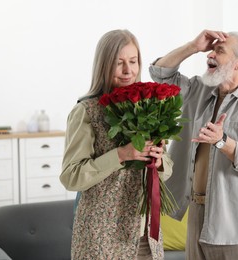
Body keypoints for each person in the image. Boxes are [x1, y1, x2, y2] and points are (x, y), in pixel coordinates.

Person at [149, 30, 238, 260]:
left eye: (219, 50)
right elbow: (160, 74)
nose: (210, 54)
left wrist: (223, 141)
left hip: (235, 224)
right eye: (211, 49)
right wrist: (192, 46)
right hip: (196, 213)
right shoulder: (198, 89)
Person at [60, 29, 173, 260]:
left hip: (145, 236)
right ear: (103, 65)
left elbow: (166, 171)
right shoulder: (85, 112)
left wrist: (159, 161)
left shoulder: (150, 107)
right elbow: (71, 176)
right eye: (118, 63)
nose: (127, 70)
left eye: (133, 61)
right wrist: (120, 155)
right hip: (101, 237)